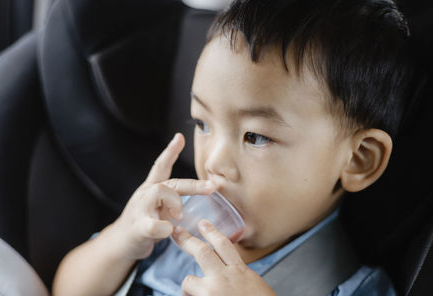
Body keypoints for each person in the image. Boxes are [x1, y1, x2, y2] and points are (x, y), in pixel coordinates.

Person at [52, 0, 414, 295]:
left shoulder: (358, 288)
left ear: (358, 160)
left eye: (255, 136)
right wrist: (123, 238)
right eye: (203, 124)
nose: (213, 162)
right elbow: (67, 291)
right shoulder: (169, 231)